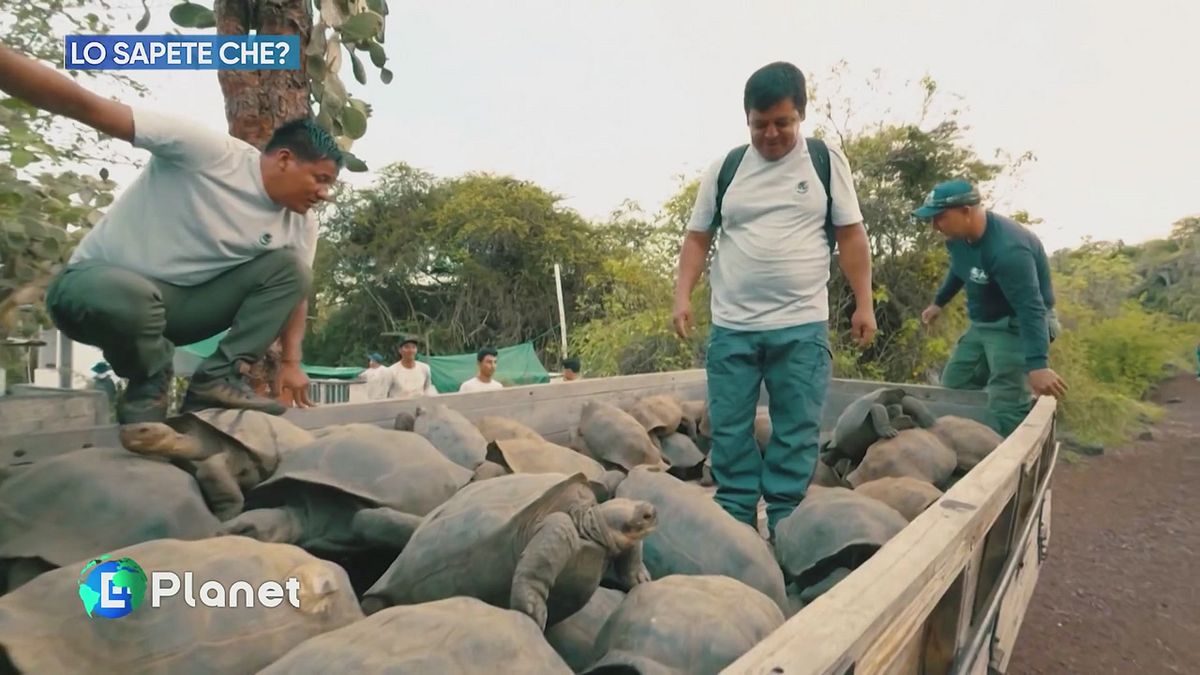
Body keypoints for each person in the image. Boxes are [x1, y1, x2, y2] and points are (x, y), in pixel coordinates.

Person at [0, 45, 335, 425]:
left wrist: (292, 363)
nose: (324, 193)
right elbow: (85, 105)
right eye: (320, 179)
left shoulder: (302, 223)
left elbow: (295, 297)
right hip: (93, 291)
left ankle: (216, 380)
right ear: (286, 159)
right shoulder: (209, 153)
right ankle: (149, 382)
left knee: (293, 271)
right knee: (132, 299)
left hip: (179, 310)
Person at [672, 61, 876, 537]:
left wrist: (862, 303)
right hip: (733, 328)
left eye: (782, 123)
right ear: (746, 120)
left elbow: (851, 236)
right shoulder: (727, 169)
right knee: (728, 428)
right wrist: (683, 296)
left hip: (800, 325)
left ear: (800, 115)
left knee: (797, 429)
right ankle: (736, 525)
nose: (770, 134)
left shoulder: (824, 162)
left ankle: (785, 523)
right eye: (759, 124)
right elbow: (697, 238)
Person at [914, 179, 1068, 437]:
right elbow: (960, 268)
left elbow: (1031, 309)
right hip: (983, 324)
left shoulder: (1009, 250)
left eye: (940, 217)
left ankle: (1006, 454)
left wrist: (1037, 365)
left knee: (1005, 404)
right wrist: (939, 302)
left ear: (966, 211)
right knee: (955, 383)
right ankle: (987, 422)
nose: (934, 226)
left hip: (1016, 324)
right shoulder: (958, 238)